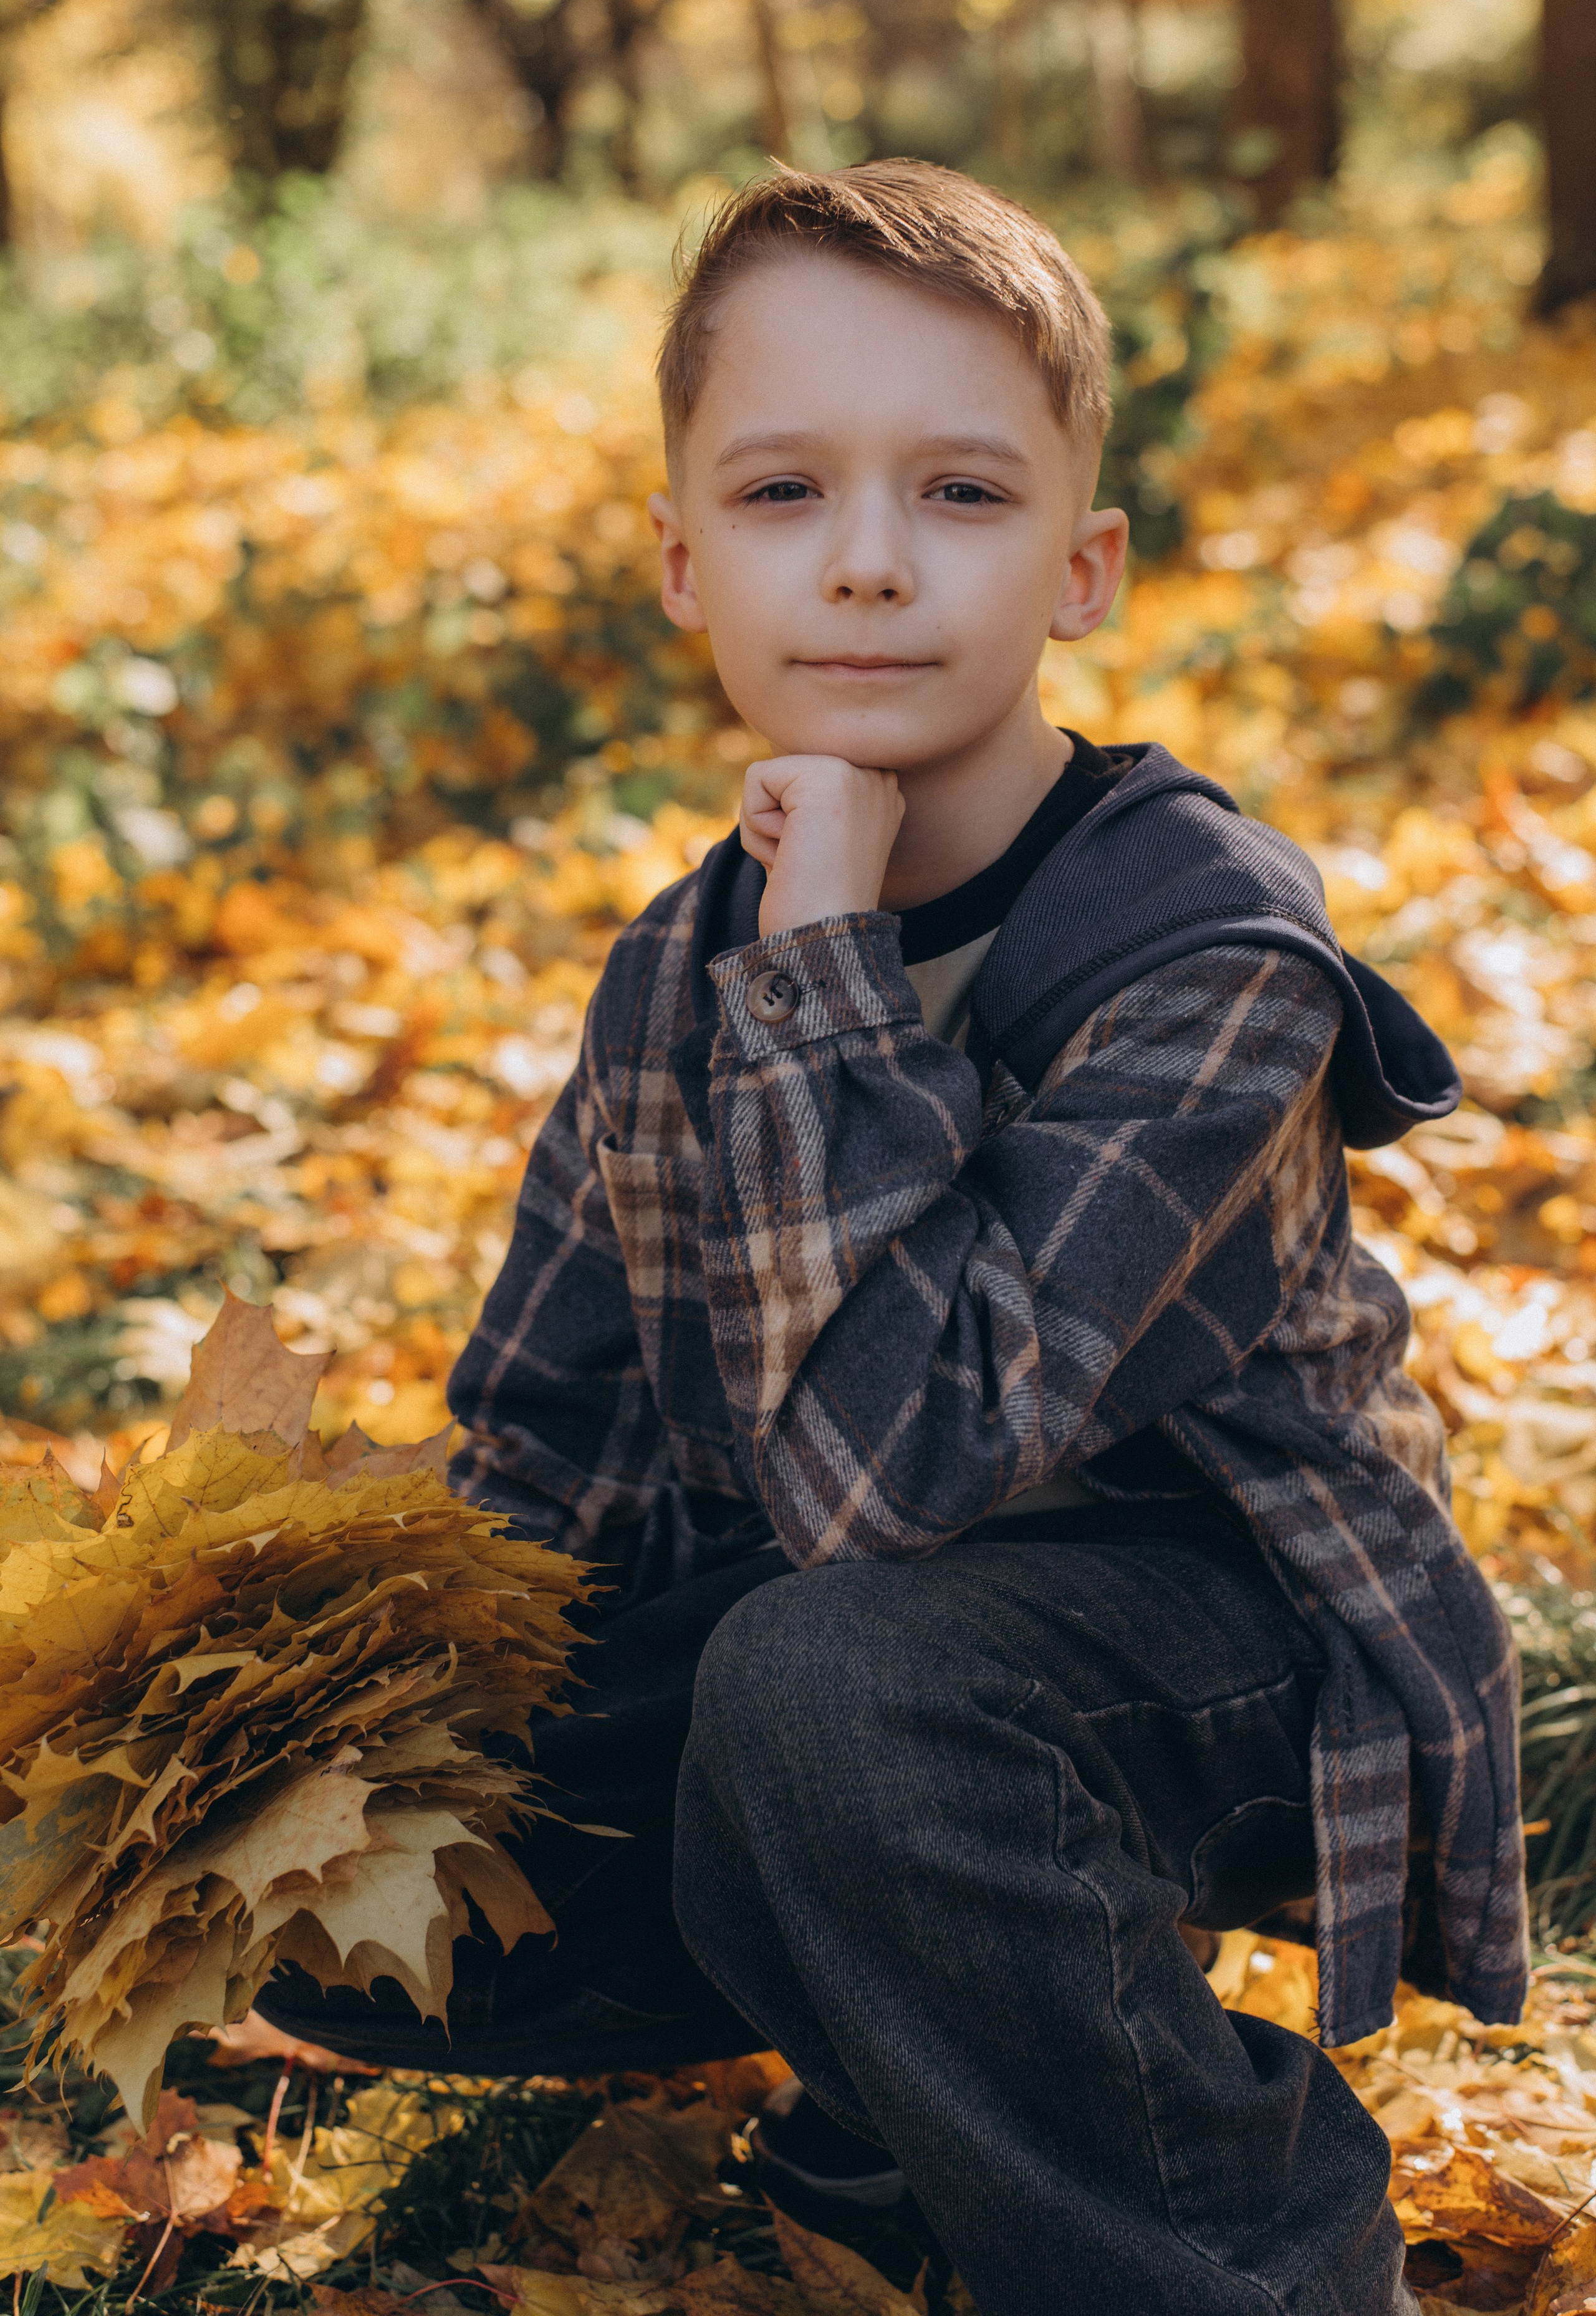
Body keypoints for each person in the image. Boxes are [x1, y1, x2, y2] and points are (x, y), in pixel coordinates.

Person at [256, 160, 1526, 2315]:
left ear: (1082, 568)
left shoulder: (1209, 954)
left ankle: (1240, 2252)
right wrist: (324, 1739)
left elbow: (895, 1476)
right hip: (863, 1678)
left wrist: (825, 957)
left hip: (1228, 1659)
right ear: (683, 560)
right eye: (782, 493)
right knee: (348, 1815)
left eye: (959, 492)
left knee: (828, 1680)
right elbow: (547, 1454)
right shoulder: (674, 976)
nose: (864, 562)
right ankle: (904, 2091)